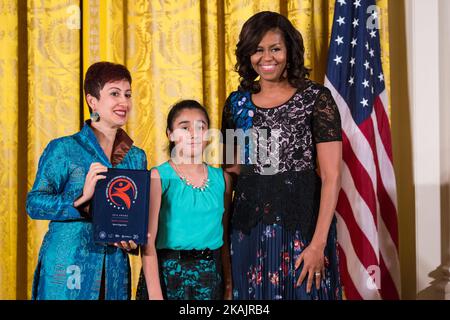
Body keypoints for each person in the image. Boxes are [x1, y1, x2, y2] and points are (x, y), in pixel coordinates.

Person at [221, 11, 343, 300]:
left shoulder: (316, 98)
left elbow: (332, 175)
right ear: (247, 54)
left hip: (303, 231)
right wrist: (222, 243)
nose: (267, 57)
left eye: (275, 48)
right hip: (247, 233)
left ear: (289, 50)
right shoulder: (235, 104)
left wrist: (318, 244)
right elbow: (230, 173)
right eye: (258, 50)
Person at [26, 61, 146, 300]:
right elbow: (34, 203)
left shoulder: (136, 157)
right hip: (68, 266)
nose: (124, 102)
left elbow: (136, 217)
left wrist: (133, 242)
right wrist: (81, 198)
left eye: (128, 94)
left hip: (113, 269)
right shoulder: (64, 149)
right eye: (114, 93)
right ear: (93, 101)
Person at [136, 100, 232, 300]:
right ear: (170, 134)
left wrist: (228, 285)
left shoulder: (222, 179)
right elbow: (147, 243)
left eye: (201, 127)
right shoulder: (159, 176)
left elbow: (224, 238)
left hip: (210, 277)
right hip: (168, 275)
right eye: (184, 127)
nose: (194, 134)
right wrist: (155, 296)